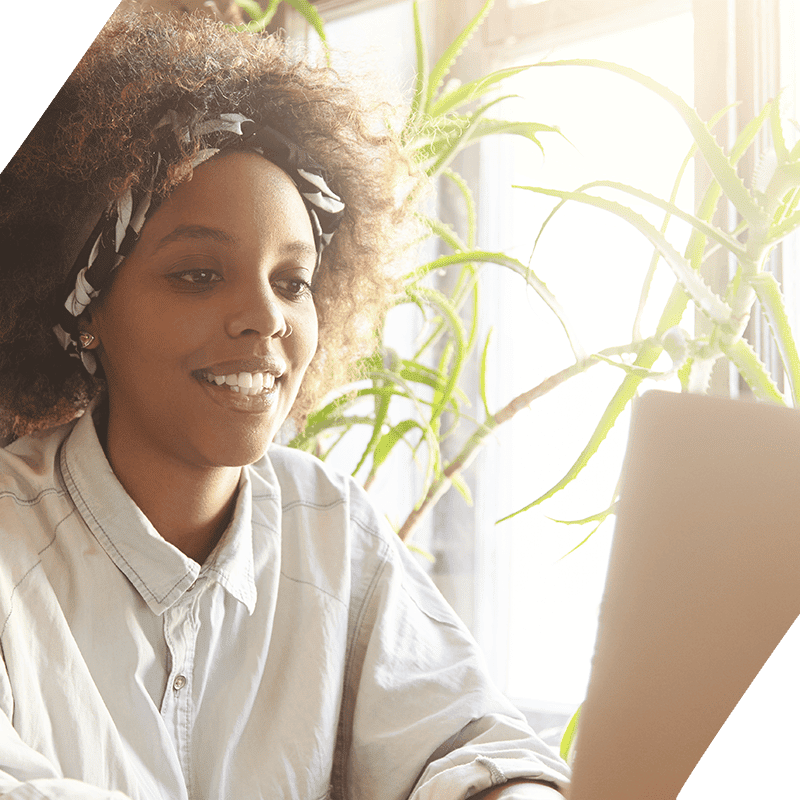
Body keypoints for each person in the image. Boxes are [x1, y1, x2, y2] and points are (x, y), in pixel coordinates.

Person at [0, 9, 570, 799]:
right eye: (199, 275)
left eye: (292, 281)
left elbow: (474, 744)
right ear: (86, 308)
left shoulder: (332, 529)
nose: (265, 317)